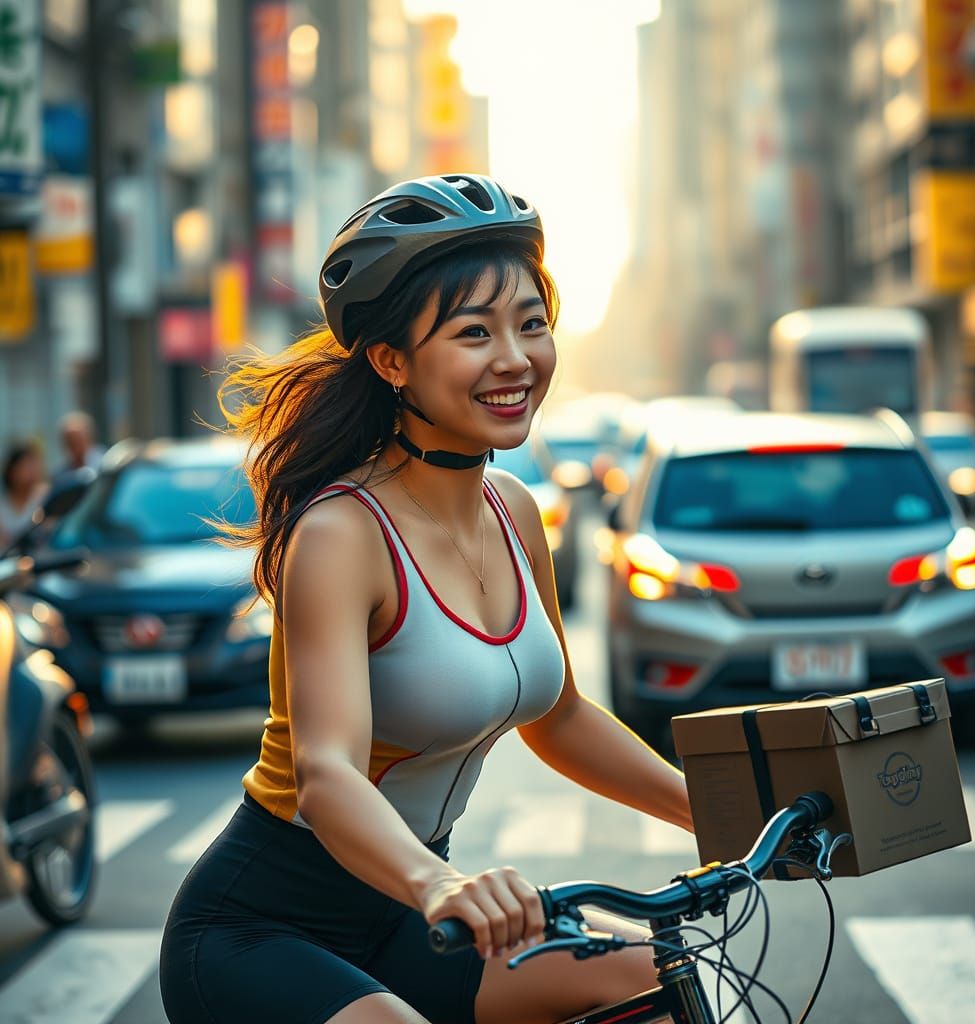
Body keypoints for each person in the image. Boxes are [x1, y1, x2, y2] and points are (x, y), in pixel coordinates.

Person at [159, 174, 694, 1024]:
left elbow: (557, 718)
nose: (515, 359)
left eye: (531, 324)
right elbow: (327, 774)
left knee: (648, 971)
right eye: (474, 333)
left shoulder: (514, 510)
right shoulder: (342, 532)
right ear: (392, 361)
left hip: (408, 920)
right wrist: (441, 881)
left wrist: (710, 814)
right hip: (262, 931)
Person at [0, 441, 49, 550]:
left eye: (34, 466)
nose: (31, 472)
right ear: (12, 471)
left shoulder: (45, 496)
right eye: (26, 466)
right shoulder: (3, 502)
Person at [51, 411, 105, 491]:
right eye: (69, 441)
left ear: (90, 437)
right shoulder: (60, 476)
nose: (74, 444)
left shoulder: (106, 464)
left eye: (77, 439)